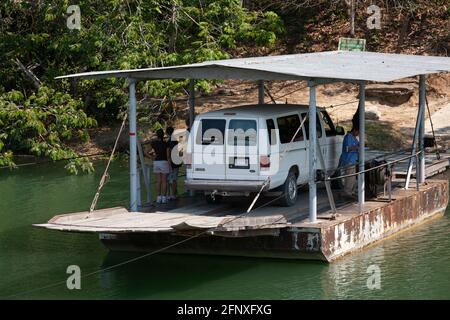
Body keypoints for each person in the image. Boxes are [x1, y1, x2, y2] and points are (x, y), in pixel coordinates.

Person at [338, 125, 360, 198]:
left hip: (353, 160)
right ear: (354, 130)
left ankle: (351, 191)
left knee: (353, 178)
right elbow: (347, 148)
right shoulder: (348, 137)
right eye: (357, 132)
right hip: (348, 160)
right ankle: (346, 192)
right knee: (349, 178)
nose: (358, 134)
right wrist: (357, 147)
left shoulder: (354, 138)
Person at [150, 129, 170, 204]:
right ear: (163, 135)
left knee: (158, 181)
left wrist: (151, 157)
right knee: (164, 181)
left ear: (157, 135)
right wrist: (169, 165)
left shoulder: (153, 143)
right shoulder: (166, 144)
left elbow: (146, 151)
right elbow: (168, 156)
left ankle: (158, 197)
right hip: (164, 162)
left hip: (156, 162)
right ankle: (164, 198)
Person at [166, 126, 181, 200]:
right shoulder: (177, 140)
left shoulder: (169, 141)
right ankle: (173, 194)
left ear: (167, 133)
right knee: (174, 179)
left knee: (170, 179)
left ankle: (170, 195)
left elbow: (169, 154)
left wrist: (169, 163)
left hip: (171, 163)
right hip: (177, 162)